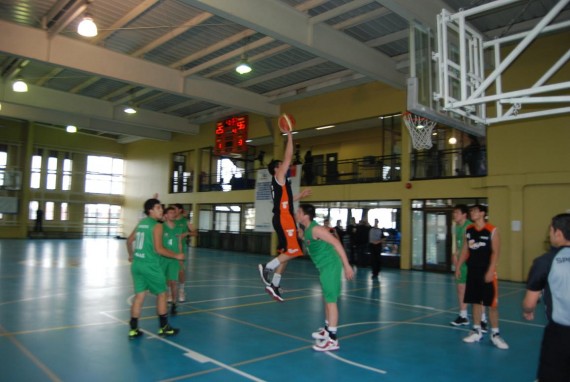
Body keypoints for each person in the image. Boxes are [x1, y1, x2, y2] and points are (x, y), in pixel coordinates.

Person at [258, 129, 311, 302]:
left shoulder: (281, 183)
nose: (285, 166)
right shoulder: (279, 175)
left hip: (283, 215)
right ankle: (268, 267)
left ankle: (274, 285)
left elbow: (285, 200)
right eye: (281, 164)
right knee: (294, 250)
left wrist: (299, 196)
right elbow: (288, 158)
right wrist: (289, 135)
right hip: (283, 217)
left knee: (286, 254)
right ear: (276, 168)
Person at [296, 203, 354, 351]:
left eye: (299, 211)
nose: (297, 213)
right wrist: (302, 238)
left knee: (331, 301)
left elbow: (336, 243)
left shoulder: (317, 229)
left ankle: (332, 340)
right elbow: (314, 245)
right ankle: (327, 329)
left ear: (305, 215)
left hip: (331, 266)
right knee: (327, 298)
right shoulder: (308, 230)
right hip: (324, 267)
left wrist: (347, 266)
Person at [126, 198, 184, 339]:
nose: (161, 210)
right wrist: (176, 255)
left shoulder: (141, 223)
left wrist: (131, 255)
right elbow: (159, 249)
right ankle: (164, 327)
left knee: (139, 296)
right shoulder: (156, 225)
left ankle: (133, 330)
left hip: (137, 265)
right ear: (150, 211)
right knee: (162, 294)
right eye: (158, 208)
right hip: (150, 265)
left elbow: (129, 241)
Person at [522, 213, 570, 381]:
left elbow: (529, 302)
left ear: (558, 233)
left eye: (550, 230)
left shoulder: (545, 261)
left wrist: (528, 310)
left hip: (560, 334)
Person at [455, 204, 509, 350]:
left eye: (475, 211)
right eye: (471, 211)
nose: (472, 213)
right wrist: (459, 266)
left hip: (487, 271)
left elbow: (496, 252)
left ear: (483, 213)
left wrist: (491, 270)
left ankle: (495, 334)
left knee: (492, 304)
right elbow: (465, 249)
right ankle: (477, 330)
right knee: (475, 302)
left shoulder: (492, 230)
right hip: (473, 270)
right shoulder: (469, 229)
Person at [450, 204, 488, 331]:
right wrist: (455, 255)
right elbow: (458, 244)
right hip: (461, 262)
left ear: (464, 214)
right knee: (461, 289)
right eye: (454, 213)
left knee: (477, 292)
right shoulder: (456, 227)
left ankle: (483, 319)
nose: (454, 215)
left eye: (456, 213)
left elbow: (472, 247)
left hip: (471, 263)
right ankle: (463, 316)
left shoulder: (470, 227)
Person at [171, 203, 197, 303]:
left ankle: (181, 290)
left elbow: (195, 232)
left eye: (175, 209)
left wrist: (187, 233)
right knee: (168, 273)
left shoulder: (185, 222)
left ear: (180, 210)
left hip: (180, 250)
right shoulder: (169, 220)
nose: (173, 211)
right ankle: (169, 292)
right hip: (168, 249)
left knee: (180, 271)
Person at [161, 207, 184, 316]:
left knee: (174, 282)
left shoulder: (178, 228)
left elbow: (179, 243)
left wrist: (180, 257)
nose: (173, 214)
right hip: (163, 258)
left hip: (174, 259)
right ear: (165, 215)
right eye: (170, 212)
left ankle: (174, 304)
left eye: (174, 212)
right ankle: (163, 303)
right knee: (163, 283)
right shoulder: (160, 227)